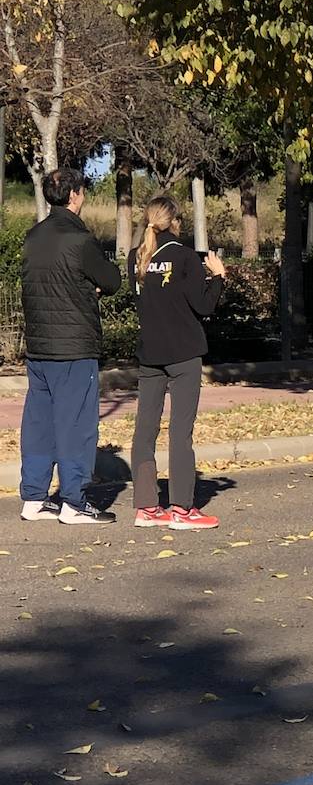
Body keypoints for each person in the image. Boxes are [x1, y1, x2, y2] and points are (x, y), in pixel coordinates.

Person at [19, 167, 123, 524]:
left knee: (39, 422)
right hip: (73, 345)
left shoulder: (34, 237)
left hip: (39, 345)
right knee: (76, 424)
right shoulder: (79, 240)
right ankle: (74, 502)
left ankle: (33, 496)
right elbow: (111, 280)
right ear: (75, 194)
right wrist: (89, 287)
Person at [127, 196, 226, 529]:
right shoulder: (184, 257)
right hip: (183, 353)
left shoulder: (135, 259)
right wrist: (218, 277)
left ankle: (146, 507)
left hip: (149, 354)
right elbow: (204, 306)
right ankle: (182, 509)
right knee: (180, 431)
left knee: (145, 429)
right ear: (176, 222)